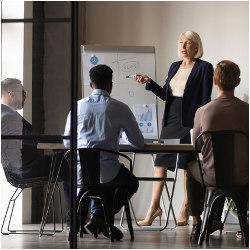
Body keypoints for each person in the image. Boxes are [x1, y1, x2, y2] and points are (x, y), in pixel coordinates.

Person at [132, 30, 213, 226]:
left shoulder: (205, 67)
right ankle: (154, 208)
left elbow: (205, 99)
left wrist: (200, 126)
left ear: (196, 46)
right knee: (160, 163)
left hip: (190, 123)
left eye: (187, 43)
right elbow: (167, 96)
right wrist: (149, 83)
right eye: (180, 43)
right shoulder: (174, 66)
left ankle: (187, 207)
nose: (183, 47)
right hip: (170, 122)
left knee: (186, 166)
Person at [63, 64, 144, 240]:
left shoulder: (76, 107)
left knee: (92, 183)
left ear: (91, 84)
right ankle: (100, 215)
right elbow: (138, 143)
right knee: (131, 183)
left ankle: (96, 216)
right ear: (110, 84)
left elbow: (66, 141)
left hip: (79, 174)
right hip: (108, 174)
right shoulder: (120, 108)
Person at [186, 60, 249, 240]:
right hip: (243, 176)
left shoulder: (202, 112)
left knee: (191, 169)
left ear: (214, 81)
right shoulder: (248, 111)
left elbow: (196, 146)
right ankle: (244, 221)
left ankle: (198, 222)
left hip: (212, 176)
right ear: (237, 82)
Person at [1, 78, 70, 227]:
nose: (25, 96)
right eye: (23, 93)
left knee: (66, 160)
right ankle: (75, 220)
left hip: (19, 169)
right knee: (70, 164)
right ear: (11, 94)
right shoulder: (7, 117)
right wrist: (66, 138)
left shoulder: (5, 115)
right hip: (25, 169)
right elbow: (32, 140)